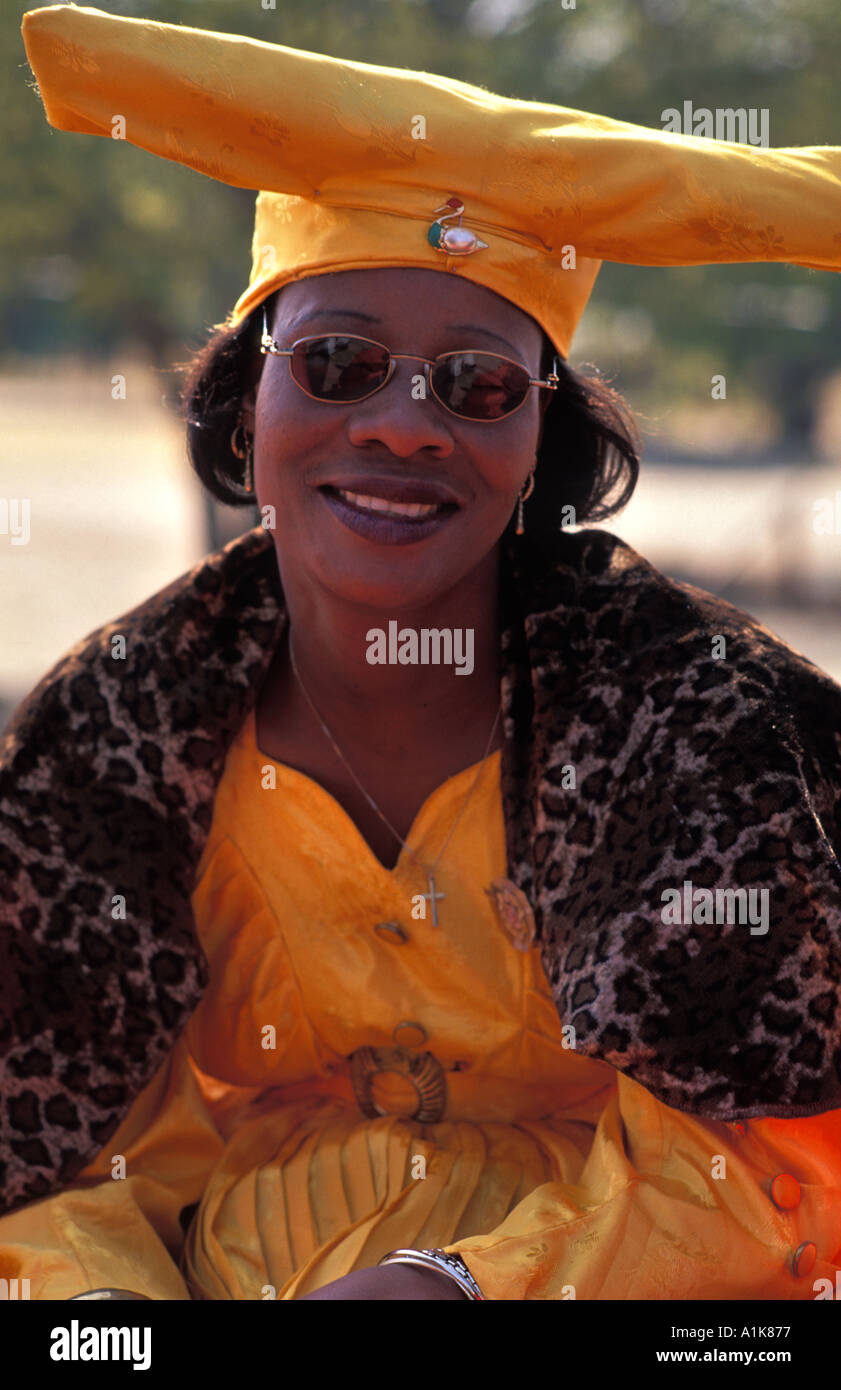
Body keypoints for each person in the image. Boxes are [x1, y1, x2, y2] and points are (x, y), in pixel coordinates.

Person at [3, 4, 840, 1301]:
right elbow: (51, 1152)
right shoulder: (118, 731)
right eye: (337, 362)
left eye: (477, 382)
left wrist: (454, 1285)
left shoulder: (707, 733)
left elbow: (782, 1161)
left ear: (538, 449)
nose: (403, 425)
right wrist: (102, 1316)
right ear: (246, 406)